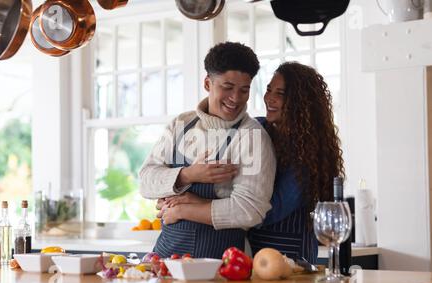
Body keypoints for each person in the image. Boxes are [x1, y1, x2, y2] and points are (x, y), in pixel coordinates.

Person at [139, 42, 277, 259]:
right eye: (227, 87)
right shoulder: (181, 124)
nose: (236, 98)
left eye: (244, 90)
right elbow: (145, 181)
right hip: (165, 258)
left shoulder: (252, 137)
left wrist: (180, 210)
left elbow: (250, 210)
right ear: (207, 83)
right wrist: (188, 175)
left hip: (220, 262)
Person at [247, 61, 345, 264]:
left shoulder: (307, 152)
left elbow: (274, 209)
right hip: (251, 248)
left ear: (301, 103)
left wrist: (227, 211)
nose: (269, 98)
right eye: (268, 90)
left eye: (280, 94)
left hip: (289, 255)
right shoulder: (257, 128)